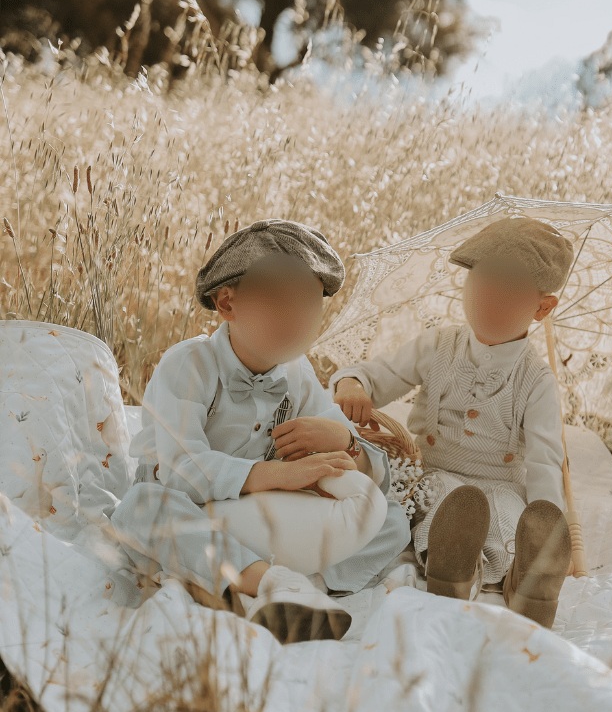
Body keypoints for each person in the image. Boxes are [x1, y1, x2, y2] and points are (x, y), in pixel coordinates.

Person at [110, 219, 411, 641]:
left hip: (255, 513)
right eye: (276, 299)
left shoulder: (298, 374)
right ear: (228, 303)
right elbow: (182, 469)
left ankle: (296, 586)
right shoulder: (188, 365)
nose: (296, 316)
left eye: (309, 300)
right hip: (191, 505)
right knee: (140, 508)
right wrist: (276, 475)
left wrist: (343, 440)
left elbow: (372, 470)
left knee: (391, 518)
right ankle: (274, 584)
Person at [331, 216, 573, 627]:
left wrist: (550, 522)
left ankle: (530, 580)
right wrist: (353, 382)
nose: (491, 302)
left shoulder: (537, 381)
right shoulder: (438, 345)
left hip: (500, 480)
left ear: (542, 307)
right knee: (441, 503)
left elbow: (546, 461)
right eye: (482, 287)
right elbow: (380, 375)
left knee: (508, 515)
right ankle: (455, 572)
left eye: (510, 294)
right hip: (437, 471)